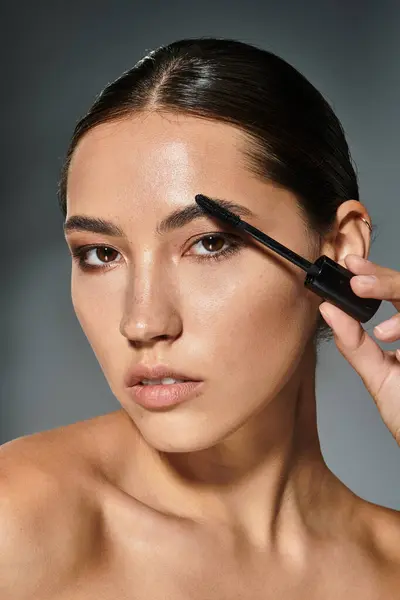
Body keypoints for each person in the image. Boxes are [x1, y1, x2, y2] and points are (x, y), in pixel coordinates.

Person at [1, 37, 400, 598]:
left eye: (210, 243)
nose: (142, 323)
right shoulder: (18, 522)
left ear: (337, 251)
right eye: (100, 253)